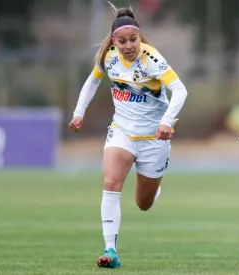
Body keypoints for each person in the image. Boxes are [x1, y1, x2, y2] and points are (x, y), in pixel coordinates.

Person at [68, 2, 188, 269]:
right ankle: (110, 250)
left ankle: (153, 189)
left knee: (143, 203)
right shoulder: (109, 57)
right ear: (115, 41)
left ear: (139, 36)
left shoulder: (152, 59)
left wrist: (167, 121)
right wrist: (79, 113)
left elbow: (180, 90)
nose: (129, 46)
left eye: (133, 39)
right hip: (121, 132)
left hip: (154, 140)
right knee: (110, 182)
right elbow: (92, 81)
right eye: (122, 41)